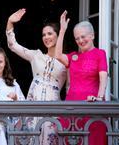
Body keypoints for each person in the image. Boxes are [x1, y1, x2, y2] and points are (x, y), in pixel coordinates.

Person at [6, 9, 67, 145]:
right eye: (44, 34)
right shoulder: (36, 55)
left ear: (58, 35)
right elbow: (13, 45)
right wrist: (10, 22)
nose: (46, 37)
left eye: (50, 33)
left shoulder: (66, 61)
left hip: (54, 110)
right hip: (32, 108)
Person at [55, 11, 108, 145]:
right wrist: (62, 30)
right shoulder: (73, 56)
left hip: (92, 106)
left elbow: (103, 78)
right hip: (71, 107)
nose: (80, 41)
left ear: (92, 35)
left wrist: (99, 99)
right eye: (77, 38)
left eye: (83, 37)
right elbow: (57, 55)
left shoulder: (100, 54)